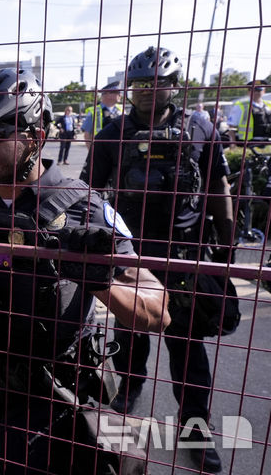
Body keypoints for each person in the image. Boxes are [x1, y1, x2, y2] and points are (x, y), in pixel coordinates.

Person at [0, 68, 170, 474]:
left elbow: (157, 313)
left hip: (62, 401)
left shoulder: (84, 209)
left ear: (36, 136)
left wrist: (97, 281)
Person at [80, 46, 235, 473]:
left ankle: (195, 429)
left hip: (186, 258)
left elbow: (219, 189)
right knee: (132, 339)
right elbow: (87, 192)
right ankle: (126, 403)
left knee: (189, 350)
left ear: (174, 86)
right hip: (132, 257)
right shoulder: (113, 134)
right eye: (141, 85)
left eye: (158, 84)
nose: (149, 92)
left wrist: (227, 246)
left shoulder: (200, 128)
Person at [227, 80, 271, 146]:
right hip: (247, 144)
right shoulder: (240, 106)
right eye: (253, 90)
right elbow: (231, 128)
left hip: (267, 143)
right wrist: (233, 144)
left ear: (264, 91)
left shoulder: (269, 105)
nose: (255, 93)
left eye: (258, 90)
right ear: (248, 92)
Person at [82, 81, 123, 149]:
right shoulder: (94, 111)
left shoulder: (121, 110)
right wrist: (92, 153)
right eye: (117, 93)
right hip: (101, 151)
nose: (120, 95)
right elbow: (87, 135)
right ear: (107, 94)